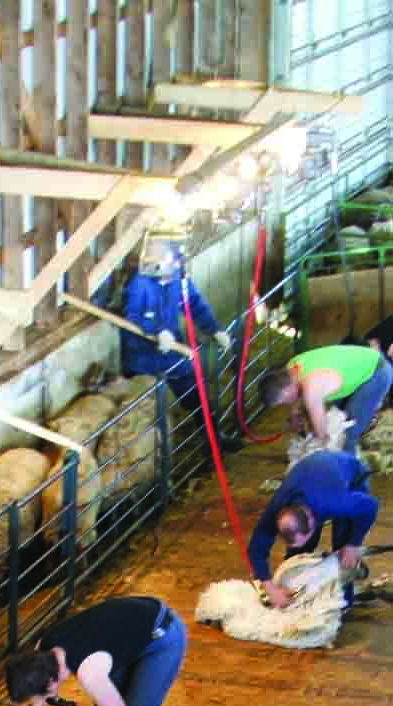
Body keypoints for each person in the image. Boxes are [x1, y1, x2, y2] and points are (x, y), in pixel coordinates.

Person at [5, 595, 187, 706]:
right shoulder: (44, 647)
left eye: (39, 695)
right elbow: (35, 678)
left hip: (163, 633)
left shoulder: (89, 673)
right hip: (131, 621)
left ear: (51, 684)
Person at [120, 233, 241, 451]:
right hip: (141, 357)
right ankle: (151, 460)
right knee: (142, 410)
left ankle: (214, 440)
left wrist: (214, 330)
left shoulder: (179, 278)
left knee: (197, 393)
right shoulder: (139, 283)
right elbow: (132, 316)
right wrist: (156, 331)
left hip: (172, 351)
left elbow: (194, 303)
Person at [247, 449, 378, 609]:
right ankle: (297, 594)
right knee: (300, 552)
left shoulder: (335, 502)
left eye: (307, 534)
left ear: (312, 521)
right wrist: (270, 588)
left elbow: (370, 506)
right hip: (314, 476)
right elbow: (255, 548)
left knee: (343, 551)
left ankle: (343, 603)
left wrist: (354, 543)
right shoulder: (277, 508)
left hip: (351, 477)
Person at [259, 344, 393, 454]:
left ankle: (352, 481)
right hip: (363, 364)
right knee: (338, 420)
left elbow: (322, 436)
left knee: (346, 436)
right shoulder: (292, 368)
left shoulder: (312, 387)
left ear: (287, 389)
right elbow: (299, 399)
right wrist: (294, 414)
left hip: (377, 373)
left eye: (284, 400)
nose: (286, 404)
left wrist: (315, 449)